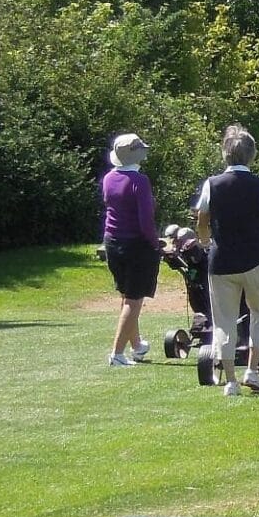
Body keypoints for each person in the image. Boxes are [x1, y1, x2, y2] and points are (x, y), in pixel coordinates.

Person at [193, 125, 259, 397]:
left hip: (222, 260)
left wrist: (205, 241)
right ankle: (252, 368)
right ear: (252, 155)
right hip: (255, 258)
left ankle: (230, 380)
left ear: (225, 154)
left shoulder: (212, 184)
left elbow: (202, 219)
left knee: (224, 320)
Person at [99, 132, 159, 367]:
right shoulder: (139, 181)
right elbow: (146, 221)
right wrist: (155, 243)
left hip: (113, 241)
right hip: (136, 245)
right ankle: (117, 353)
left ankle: (137, 345)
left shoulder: (109, 178)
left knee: (126, 296)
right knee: (134, 300)